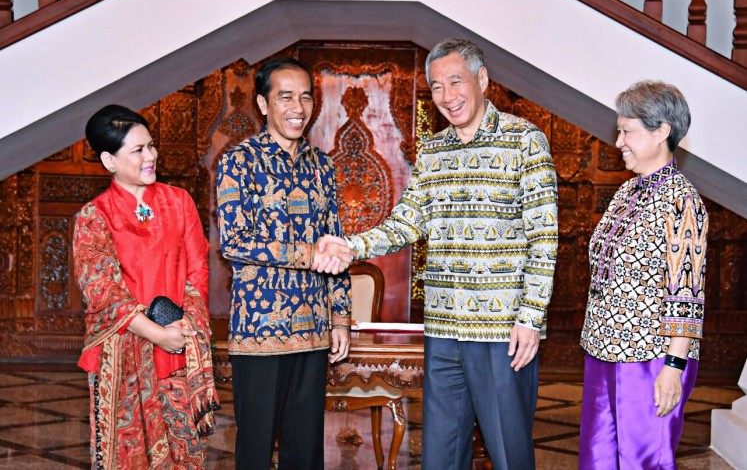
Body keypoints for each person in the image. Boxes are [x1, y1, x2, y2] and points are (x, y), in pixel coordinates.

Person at [341, 38, 558, 469]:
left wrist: (530, 319)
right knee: (441, 454)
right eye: (436, 87)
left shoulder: (524, 141)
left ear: (481, 79)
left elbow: (544, 238)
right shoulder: (434, 152)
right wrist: (348, 247)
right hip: (443, 329)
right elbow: (404, 223)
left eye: (455, 82)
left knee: (508, 451)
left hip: (503, 334)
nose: (447, 96)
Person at [215, 57, 353, 470]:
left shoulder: (322, 166)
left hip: (312, 329)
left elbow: (336, 244)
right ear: (263, 103)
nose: (298, 107)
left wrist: (341, 317)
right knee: (255, 448)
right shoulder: (239, 162)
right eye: (285, 96)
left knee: (305, 450)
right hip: (259, 329)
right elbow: (235, 243)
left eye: (306, 97)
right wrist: (305, 254)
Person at [73, 104, 220, 469]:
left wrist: (181, 330)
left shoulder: (179, 201)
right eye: (138, 150)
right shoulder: (95, 216)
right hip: (124, 351)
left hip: (177, 345)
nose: (150, 156)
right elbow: (103, 292)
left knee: (183, 453)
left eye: (151, 146)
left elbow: (198, 269)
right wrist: (155, 333)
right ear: (109, 160)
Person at [579, 81, 708, 469]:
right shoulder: (626, 193)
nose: (618, 141)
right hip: (603, 349)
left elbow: (686, 292)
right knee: (598, 456)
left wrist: (673, 368)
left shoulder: (683, 202)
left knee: (643, 460)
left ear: (661, 131)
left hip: (651, 359)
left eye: (627, 131)